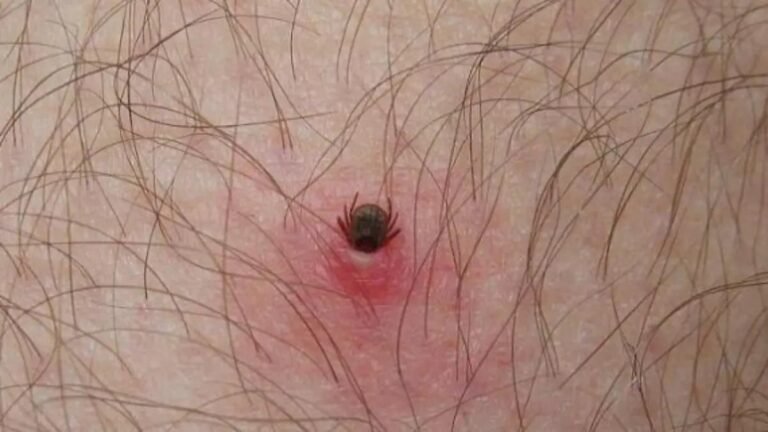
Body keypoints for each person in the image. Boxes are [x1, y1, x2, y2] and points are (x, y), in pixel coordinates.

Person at [0, 1, 765, 430]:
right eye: (366, 232)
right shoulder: (377, 226)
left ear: (363, 228)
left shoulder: (358, 227)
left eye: (368, 231)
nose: (368, 236)